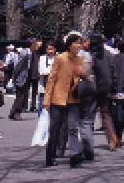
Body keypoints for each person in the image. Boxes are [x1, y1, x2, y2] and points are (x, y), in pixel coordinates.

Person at [44, 32, 86, 168]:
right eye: (76, 43)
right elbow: (51, 79)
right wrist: (47, 99)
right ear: (69, 44)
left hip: (73, 98)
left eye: (80, 43)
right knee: (55, 129)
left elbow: (82, 77)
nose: (78, 45)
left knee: (73, 127)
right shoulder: (60, 58)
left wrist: (83, 76)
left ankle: (75, 154)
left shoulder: (80, 60)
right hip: (58, 98)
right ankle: (50, 156)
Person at [87, 33, 117, 150]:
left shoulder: (91, 55)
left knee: (90, 115)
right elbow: (114, 72)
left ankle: (88, 142)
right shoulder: (109, 54)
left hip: (93, 87)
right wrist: (113, 86)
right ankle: (112, 139)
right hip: (106, 87)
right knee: (106, 114)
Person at [10, 39, 39, 120]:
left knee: (20, 96)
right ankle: (17, 113)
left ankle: (12, 113)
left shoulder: (31, 53)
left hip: (27, 77)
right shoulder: (25, 53)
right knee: (20, 96)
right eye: (35, 44)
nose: (36, 46)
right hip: (21, 77)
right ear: (31, 45)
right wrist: (14, 77)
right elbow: (18, 66)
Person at [38, 42, 57, 115]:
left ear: (55, 49)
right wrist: (53, 72)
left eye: (52, 49)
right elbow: (42, 71)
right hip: (44, 88)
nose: (50, 51)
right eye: (49, 49)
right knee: (42, 110)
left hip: (55, 89)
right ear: (46, 50)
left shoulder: (58, 58)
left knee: (53, 112)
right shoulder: (42, 58)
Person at [28, 39, 43, 112]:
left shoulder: (39, 53)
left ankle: (33, 105)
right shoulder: (32, 53)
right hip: (30, 73)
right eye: (37, 45)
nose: (38, 47)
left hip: (36, 74)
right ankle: (24, 105)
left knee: (34, 91)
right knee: (27, 90)